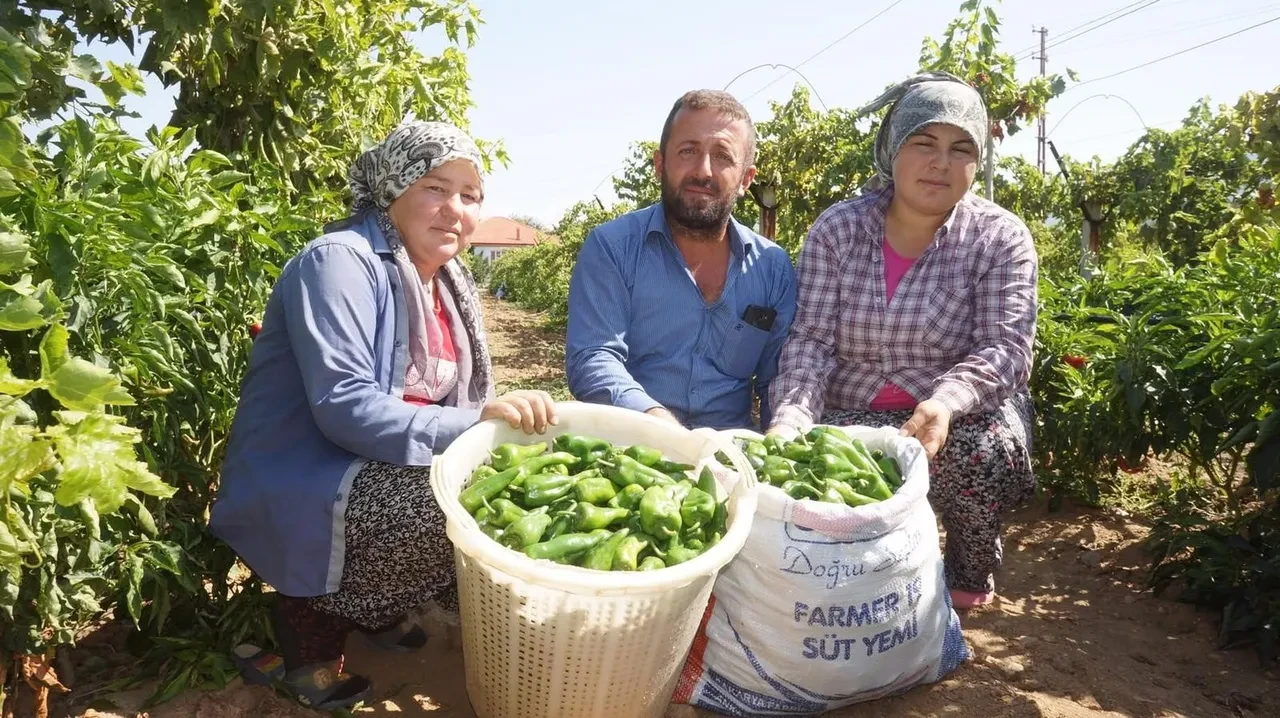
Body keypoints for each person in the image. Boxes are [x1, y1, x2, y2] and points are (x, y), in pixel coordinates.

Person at [208, 121, 558, 710]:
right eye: (434, 187)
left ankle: (376, 605)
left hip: (376, 459)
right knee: (447, 506)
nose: (455, 209)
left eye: (470, 196)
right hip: (309, 470)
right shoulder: (340, 262)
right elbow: (345, 406)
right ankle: (307, 637)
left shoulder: (447, 280)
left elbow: (460, 396)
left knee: (506, 483)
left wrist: (492, 422)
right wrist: (473, 425)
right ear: (391, 188)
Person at [767, 73, 1038, 609]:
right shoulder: (838, 230)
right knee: (809, 465)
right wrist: (790, 419)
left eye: (961, 148)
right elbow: (811, 342)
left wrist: (944, 404)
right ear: (893, 150)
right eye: (924, 143)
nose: (941, 163)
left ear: (977, 162)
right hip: (852, 406)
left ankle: (968, 569)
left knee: (977, 454)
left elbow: (1005, 347)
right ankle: (858, 576)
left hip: (954, 414)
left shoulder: (1000, 237)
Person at [565, 90, 797, 430]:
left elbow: (777, 377)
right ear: (660, 165)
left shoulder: (772, 267)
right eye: (688, 151)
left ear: (746, 179)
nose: (703, 171)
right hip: (634, 453)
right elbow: (593, 356)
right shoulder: (613, 248)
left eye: (722, 157)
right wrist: (657, 423)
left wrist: (781, 434)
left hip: (729, 455)